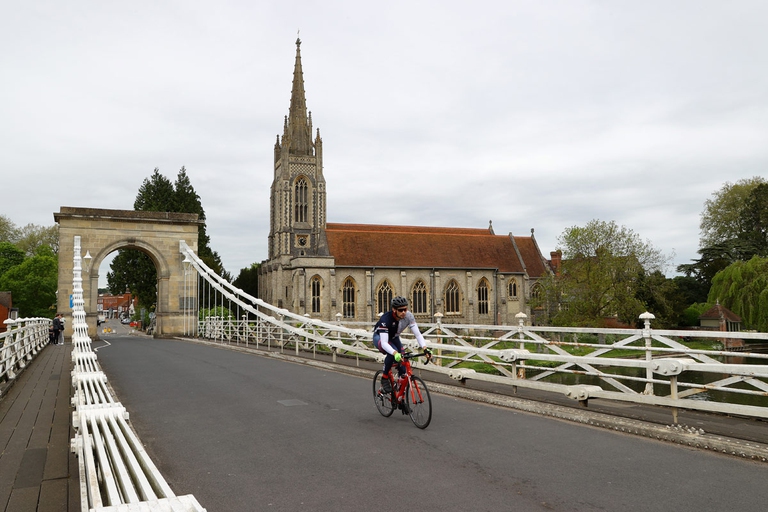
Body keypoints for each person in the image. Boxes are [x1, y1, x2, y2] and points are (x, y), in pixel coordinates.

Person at [373, 296, 432, 396]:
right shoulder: (386, 319)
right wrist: (395, 353)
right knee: (393, 353)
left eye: (405, 309)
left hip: (394, 337)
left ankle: (400, 396)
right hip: (380, 338)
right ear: (394, 310)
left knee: (403, 361)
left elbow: (417, 334)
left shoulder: (409, 316)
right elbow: (384, 343)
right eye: (400, 310)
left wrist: (425, 348)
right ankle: (384, 377)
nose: (403, 312)